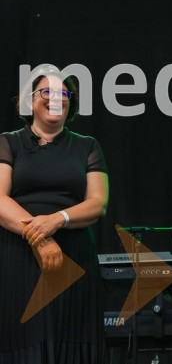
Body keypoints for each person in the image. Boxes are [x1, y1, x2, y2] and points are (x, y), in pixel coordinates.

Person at [0, 67, 109, 362]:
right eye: (46, 91)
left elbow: (97, 203)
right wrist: (39, 238)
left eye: (64, 93)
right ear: (29, 100)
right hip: (20, 257)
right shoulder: (9, 142)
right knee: (24, 343)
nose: (56, 98)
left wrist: (57, 219)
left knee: (72, 344)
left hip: (75, 257)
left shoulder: (87, 146)